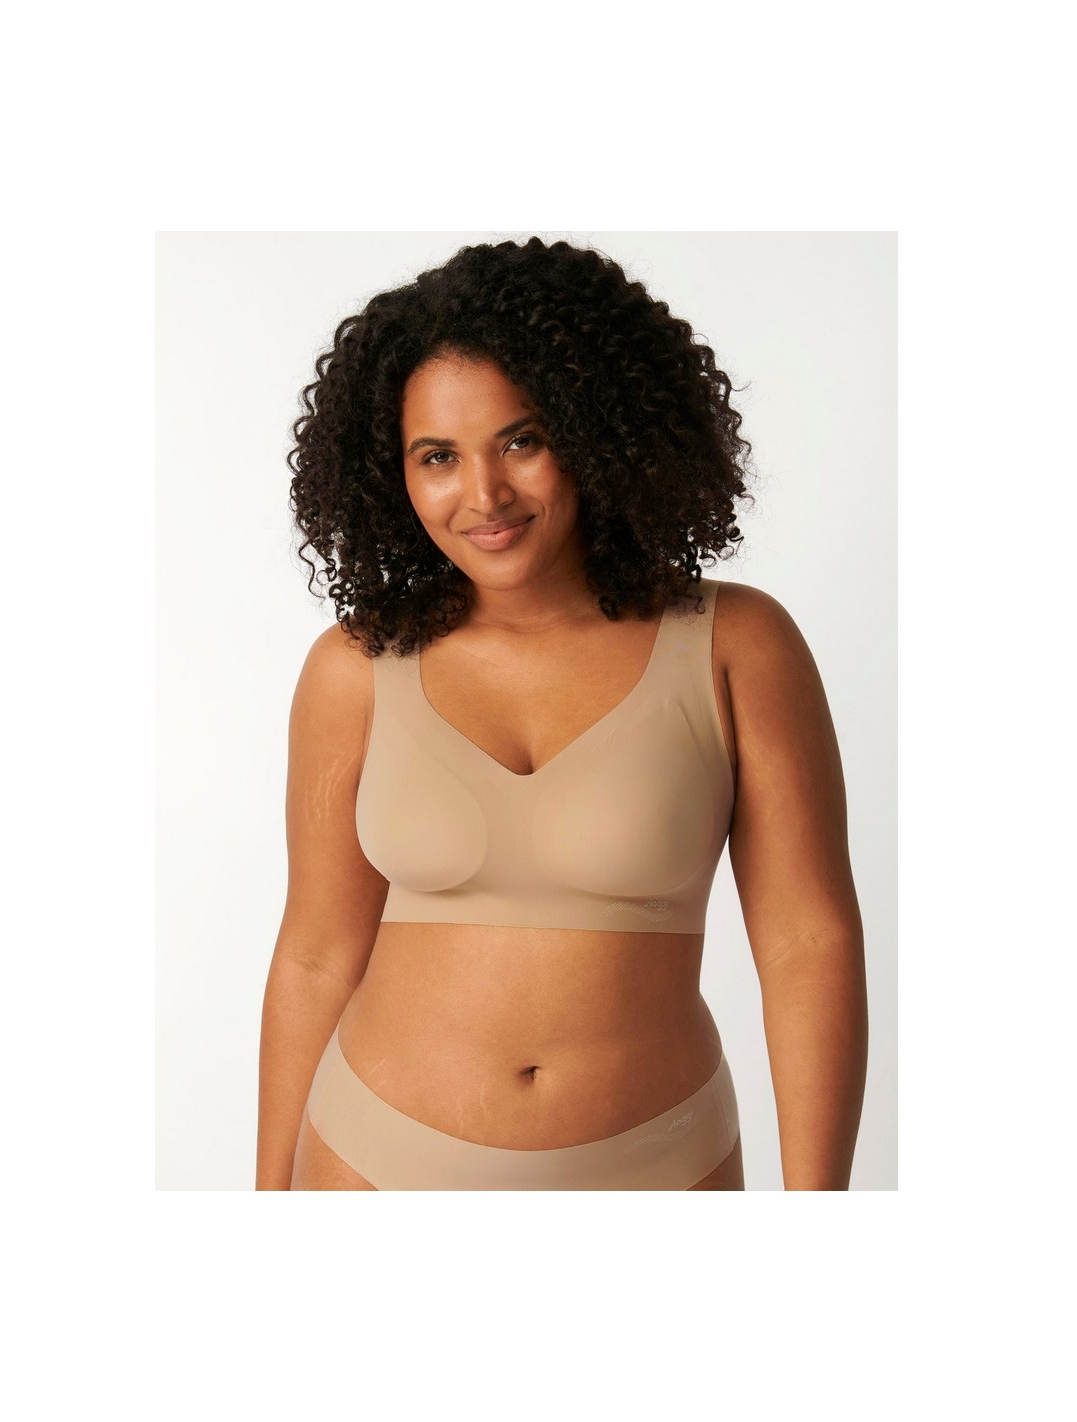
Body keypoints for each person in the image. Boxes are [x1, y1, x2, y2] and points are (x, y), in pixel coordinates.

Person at [256, 237, 868, 1191]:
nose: (485, 495)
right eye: (438, 457)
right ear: (392, 474)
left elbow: (805, 944)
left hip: (661, 1166)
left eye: (523, 441)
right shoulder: (356, 666)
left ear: (597, 432)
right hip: (369, 1162)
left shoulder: (737, 645)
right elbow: (314, 957)